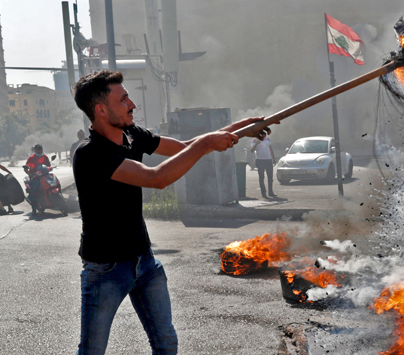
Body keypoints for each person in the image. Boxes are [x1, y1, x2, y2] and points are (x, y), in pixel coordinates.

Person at [71, 70, 266, 355]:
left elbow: (185, 148)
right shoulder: (90, 154)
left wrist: (237, 131)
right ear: (101, 110)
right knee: (92, 351)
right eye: (123, 99)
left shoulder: (131, 134)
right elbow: (156, 178)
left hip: (144, 262)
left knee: (166, 343)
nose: (132, 104)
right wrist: (208, 143)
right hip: (106, 270)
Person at [250, 127, 276, 198]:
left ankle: (271, 192)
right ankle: (263, 192)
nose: (264, 136)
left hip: (268, 160)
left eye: (265, 134)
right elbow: (251, 150)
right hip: (260, 160)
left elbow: (270, 149)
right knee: (261, 177)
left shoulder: (268, 140)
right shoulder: (255, 140)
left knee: (270, 177)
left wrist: (273, 159)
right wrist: (256, 144)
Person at [25, 144, 52, 209]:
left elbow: (48, 166)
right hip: (35, 177)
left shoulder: (45, 157)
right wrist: (29, 174)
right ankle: (34, 209)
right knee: (33, 192)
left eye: (40, 149)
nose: (39, 151)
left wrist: (49, 168)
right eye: (38, 149)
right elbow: (26, 168)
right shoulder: (31, 158)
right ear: (35, 150)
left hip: (45, 175)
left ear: (42, 149)